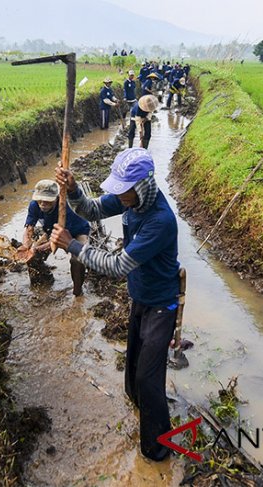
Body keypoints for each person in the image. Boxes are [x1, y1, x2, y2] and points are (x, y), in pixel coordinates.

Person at [51, 148, 181, 462]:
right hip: (139, 297)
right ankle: (140, 409)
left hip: (161, 305)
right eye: (118, 190)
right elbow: (91, 209)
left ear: (144, 185)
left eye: (124, 190)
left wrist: (73, 245)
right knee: (133, 370)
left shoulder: (160, 220)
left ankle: (157, 450)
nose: (119, 196)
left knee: (149, 379)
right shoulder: (129, 198)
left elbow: (117, 265)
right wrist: (72, 190)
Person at [19, 179, 90, 296]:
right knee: (31, 256)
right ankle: (44, 282)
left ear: (56, 198)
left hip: (76, 232)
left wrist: (38, 248)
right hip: (51, 229)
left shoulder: (66, 207)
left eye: (47, 200)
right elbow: (29, 227)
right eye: (40, 199)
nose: (42, 203)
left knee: (77, 259)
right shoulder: (34, 205)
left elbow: (59, 238)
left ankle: (78, 291)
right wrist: (26, 244)